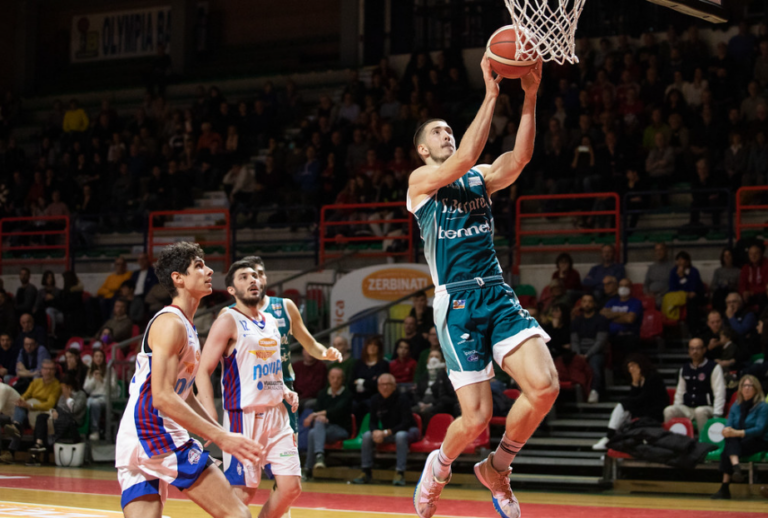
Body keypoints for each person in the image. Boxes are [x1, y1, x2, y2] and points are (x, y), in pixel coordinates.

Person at [408, 55, 554, 518]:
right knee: (474, 418)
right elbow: (468, 154)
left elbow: (520, 158)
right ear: (423, 151)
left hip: (495, 291)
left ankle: (498, 467)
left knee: (545, 387)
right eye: (438, 132)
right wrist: (492, 92)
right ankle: (441, 466)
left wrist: (529, 94)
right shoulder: (421, 185)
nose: (446, 134)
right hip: (456, 301)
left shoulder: (477, 180)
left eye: (449, 129)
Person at [115, 242, 261, 518]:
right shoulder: (171, 324)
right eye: (199, 266)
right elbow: (162, 396)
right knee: (237, 515)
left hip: (136, 434)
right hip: (153, 431)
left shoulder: (186, 325)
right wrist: (222, 437)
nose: (209, 270)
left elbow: (184, 394)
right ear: (178, 278)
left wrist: (213, 429)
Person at [196, 259, 301, 516]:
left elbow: (270, 371)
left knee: (290, 487)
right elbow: (202, 370)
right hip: (243, 418)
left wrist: (283, 390)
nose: (252, 280)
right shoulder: (228, 319)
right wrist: (209, 413)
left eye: (254, 275)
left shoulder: (271, 322)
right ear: (231, 290)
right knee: (243, 493)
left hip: (278, 416)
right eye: (243, 277)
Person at [219, 256, 342, 438]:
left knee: (285, 458)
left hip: (283, 390)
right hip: (247, 394)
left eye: (260, 274)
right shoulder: (229, 314)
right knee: (250, 459)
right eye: (249, 276)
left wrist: (325, 353)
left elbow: (310, 344)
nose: (256, 279)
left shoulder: (285, 306)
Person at [351, 373, 419, 487]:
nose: (385, 387)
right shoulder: (375, 399)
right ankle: (366, 471)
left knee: (401, 435)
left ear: (394, 386)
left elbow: (406, 423)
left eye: (388, 384)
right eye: (382, 385)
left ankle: (400, 472)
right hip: (389, 431)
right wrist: (375, 432)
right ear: (378, 387)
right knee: (367, 435)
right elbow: (372, 421)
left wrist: (386, 432)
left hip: (409, 430)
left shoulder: (403, 399)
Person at [592, 354, 668, 451]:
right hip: (642, 410)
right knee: (623, 409)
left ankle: (609, 437)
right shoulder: (638, 380)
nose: (631, 369)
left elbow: (643, 399)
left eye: (633, 365)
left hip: (655, 413)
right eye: (629, 367)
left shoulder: (653, 377)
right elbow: (633, 397)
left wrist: (624, 402)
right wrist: (635, 383)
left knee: (623, 405)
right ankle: (610, 440)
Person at [711, 375, 768, 500]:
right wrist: (727, 431)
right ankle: (736, 468)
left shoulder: (762, 406)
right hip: (740, 440)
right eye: (744, 385)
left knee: (728, 449)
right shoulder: (736, 406)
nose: (747, 388)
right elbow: (729, 425)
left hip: (759, 440)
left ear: (756, 389)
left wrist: (737, 433)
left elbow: (759, 429)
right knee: (730, 441)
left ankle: (725, 487)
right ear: (740, 389)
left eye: (750, 386)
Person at [2, 359, 61, 463]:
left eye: (51, 369)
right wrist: (22, 401)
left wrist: (31, 405)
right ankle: (16, 426)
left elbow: (49, 404)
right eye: (46, 369)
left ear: (54, 371)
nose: (48, 371)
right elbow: (26, 395)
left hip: (42, 412)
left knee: (23, 419)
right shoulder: (36, 382)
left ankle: (11, 449)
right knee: (19, 406)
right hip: (28, 410)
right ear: (41, 370)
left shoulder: (56, 386)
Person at [303, 366, 353, 480]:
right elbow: (317, 409)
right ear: (328, 378)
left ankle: (309, 468)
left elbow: (337, 411)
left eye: (338, 378)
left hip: (341, 429)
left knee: (315, 428)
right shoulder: (322, 393)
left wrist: (318, 415)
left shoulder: (347, 394)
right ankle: (317, 459)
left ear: (343, 379)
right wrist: (320, 416)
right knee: (312, 432)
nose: (335, 380)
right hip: (324, 428)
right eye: (333, 377)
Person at [664, 338, 726, 431]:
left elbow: (719, 392)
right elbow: (680, 391)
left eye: (698, 348)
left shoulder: (713, 367)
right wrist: (677, 406)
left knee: (699, 411)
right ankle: (670, 440)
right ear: (689, 351)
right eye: (692, 349)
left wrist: (717, 414)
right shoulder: (684, 368)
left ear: (704, 350)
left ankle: (704, 442)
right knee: (669, 410)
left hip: (707, 408)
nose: (695, 351)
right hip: (688, 408)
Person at [26, 372, 87, 467]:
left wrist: (68, 398)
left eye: (63, 388)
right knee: (41, 417)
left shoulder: (81, 395)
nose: (62, 390)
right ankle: (39, 444)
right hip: (60, 418)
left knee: (51, 424)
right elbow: (58, 408)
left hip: (72, 421)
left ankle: (39, 451)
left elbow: (74, 410)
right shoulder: (62, 397)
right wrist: (53, 412)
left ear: (69, 387)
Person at [571, 294, 610, 403]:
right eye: (584, 301)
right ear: (581, 304)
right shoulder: (576, 321)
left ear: (594, 304)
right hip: (579, 352)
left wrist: (587, 355)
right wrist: (578, 354)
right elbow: (574, 341)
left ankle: (594, 391)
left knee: (594, 364)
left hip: (596, 352)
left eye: (589, 301)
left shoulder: (601, 320)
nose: (587, 304)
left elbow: (600, 342)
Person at [601, 278, 643, 374]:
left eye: (626, 286)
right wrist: (624, 314)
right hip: (612, 336)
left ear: (631, 288)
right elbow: (602, 315)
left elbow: (630, 319)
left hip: (629, 336)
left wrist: (612, 315)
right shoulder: (612, 301)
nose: (623, 288)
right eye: (621, 286)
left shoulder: (636, 302)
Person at [413, 350, 458, 428]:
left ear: (442, 360)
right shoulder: (425, 375)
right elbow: (417, 392)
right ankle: (417, 434)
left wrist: (430, 404)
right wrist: (420, 403)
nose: (433, 359)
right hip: (423, 403)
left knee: (429, 411)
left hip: (437, 403)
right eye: (431, 356)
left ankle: (427, 434)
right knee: (411, 410)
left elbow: (443, 396)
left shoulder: (444, 375)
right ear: (427, 360)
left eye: (437, 357)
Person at [350, 336, 390, 418]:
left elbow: (377, 384)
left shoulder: (383, 364)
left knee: (369, 404)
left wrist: (361, 382)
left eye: (375, 345)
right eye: (370, 344)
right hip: (357, 397)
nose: (372, 347)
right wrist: (369, 382)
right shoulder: (358, 363)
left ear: (379, 348)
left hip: (374, 397)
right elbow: (351, 382)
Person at [83, 348, 117, 441]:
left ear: (104, 358)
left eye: (101, 356)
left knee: (94, 404)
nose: (99, 358)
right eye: (96, 356)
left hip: (105, 397)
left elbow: (113, 387)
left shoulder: (110, 369)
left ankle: (95, 431)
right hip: (92, 396)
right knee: (83, 405)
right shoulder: (90, 371)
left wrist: (102, 379)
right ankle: (84, 431)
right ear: (93, 358)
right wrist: (94, 379)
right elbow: (86, 388)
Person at [292, 348, 328, 413]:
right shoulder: (296, 366)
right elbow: (291, 383)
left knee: (304, 404)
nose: (310, 353)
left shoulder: (321, 367)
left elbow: (318, 387)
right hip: (296, 396)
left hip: (312, 397)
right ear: (303, 352)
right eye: (308, 350)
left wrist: (300, 397)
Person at [644, 243, 674, 307]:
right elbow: (646, 284)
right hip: (651, 297)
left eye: (661, 250)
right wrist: (648, 294)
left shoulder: (672, 267)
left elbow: (674, 285)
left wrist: (660, 294)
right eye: (656, 250)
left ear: (666, 251)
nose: (658, 252)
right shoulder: (651, 268)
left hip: (665, 297)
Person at [711, 249, 741, 313]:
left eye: (729, 255)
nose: (727, 257)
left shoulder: (738, 271)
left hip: (732, 291)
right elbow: (713, 286)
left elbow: (739, 286)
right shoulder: (718, 271)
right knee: (719, 294)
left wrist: (730, 284)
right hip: (720, 293)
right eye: (725, 256)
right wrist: (721, 285)